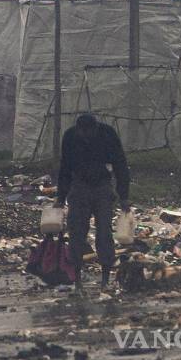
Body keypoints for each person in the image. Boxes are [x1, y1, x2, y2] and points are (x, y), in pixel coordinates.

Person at [54, 113, 130, 294]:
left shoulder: (107, 134)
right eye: (83, 132)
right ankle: (77, 281)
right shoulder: (71, 137)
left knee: (104, 233)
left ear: (95, 128)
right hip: (79, 187)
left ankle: (105, 280)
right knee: (76, 233)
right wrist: (61, 197)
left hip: (102, 187)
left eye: (89, 132)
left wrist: (123, 196)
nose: (86, 135)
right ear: (79, 130)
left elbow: (120, 164)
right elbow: (65, 168)